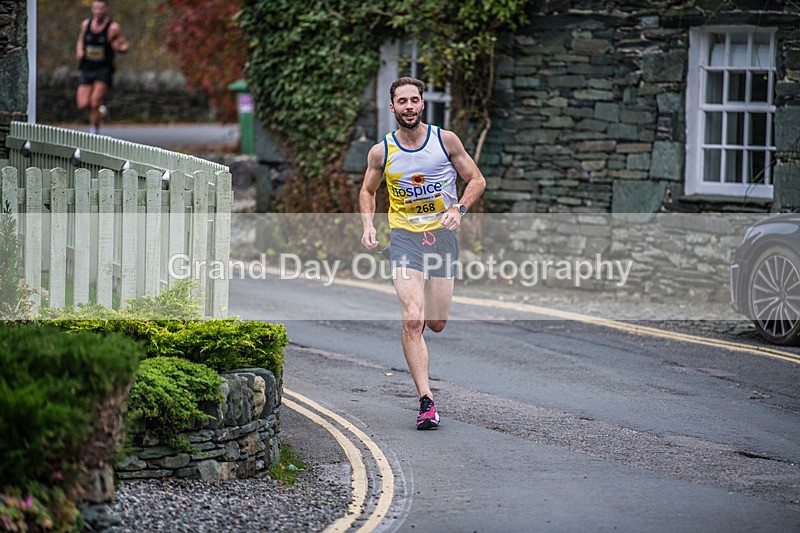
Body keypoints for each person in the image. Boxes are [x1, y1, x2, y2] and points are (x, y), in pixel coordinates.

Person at [360, 77, 486, 430]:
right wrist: (368, 226)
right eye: (403, 101)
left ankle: (421, 334)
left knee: (436, 322)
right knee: (413, 318)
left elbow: (476, 180)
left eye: (415, 100)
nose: (410, 106)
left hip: (442, 238)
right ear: (393, 108)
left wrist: (458, 209)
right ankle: (426, 401)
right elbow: (368, 192)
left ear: (422, 105)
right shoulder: (381, 151)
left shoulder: (445, 141)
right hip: (404, 240)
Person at [75, 0, 128, 135]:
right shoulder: (85, 24)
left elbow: (124, 46)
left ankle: (94, 132)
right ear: (92, 9)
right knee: (83, 104)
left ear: (106, 10)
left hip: (103, 69)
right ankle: (100, 111)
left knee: (94, 102)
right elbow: (81, 39)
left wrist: (119, 48)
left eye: (101, 8)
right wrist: (80, 50)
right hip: (87, 67)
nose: (98, 11)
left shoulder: (112, 28)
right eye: (96, 8)